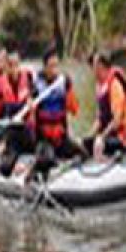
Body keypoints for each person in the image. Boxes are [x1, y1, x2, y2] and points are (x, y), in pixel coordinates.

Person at [25, 48, 83, 180]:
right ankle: (32, 169)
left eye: (56, 66)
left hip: (60, 137)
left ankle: (72, 177)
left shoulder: (63, 83)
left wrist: (69, 89)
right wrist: (30, 103)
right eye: (51, 66)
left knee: (83, 154)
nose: (54, 69)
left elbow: (74, 110)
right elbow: (29, 116)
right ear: (45, 67)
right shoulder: (35, 85)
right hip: (43, 139)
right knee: (48, 160)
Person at [84, 52, 126, 159]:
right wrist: (90, 134)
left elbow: (117, 120)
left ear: (101, 67)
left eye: (94, 67)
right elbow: (100, 118)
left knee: (99, 144)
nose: (92, 71)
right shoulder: (100, 87)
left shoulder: (115, 86)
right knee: (86, 143)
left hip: (121, 136)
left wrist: (102, 136)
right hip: (108, 133)